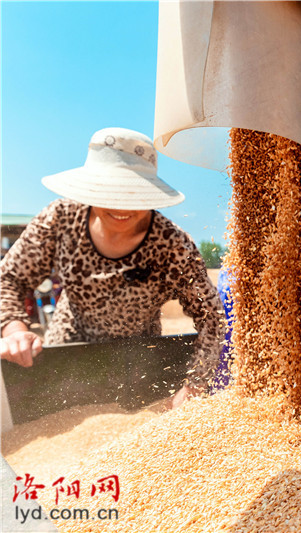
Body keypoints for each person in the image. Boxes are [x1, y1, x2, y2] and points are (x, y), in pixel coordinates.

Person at [0, 127, 225, 408]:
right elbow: (9, 278)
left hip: (138, 359)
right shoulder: (60, 218)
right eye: (111, 193)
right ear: (91, 187)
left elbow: (212, 317)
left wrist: (195, 384)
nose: (123, 206)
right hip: (67, 349)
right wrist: (15, 331)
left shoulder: (172, 245)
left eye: (134, 193)